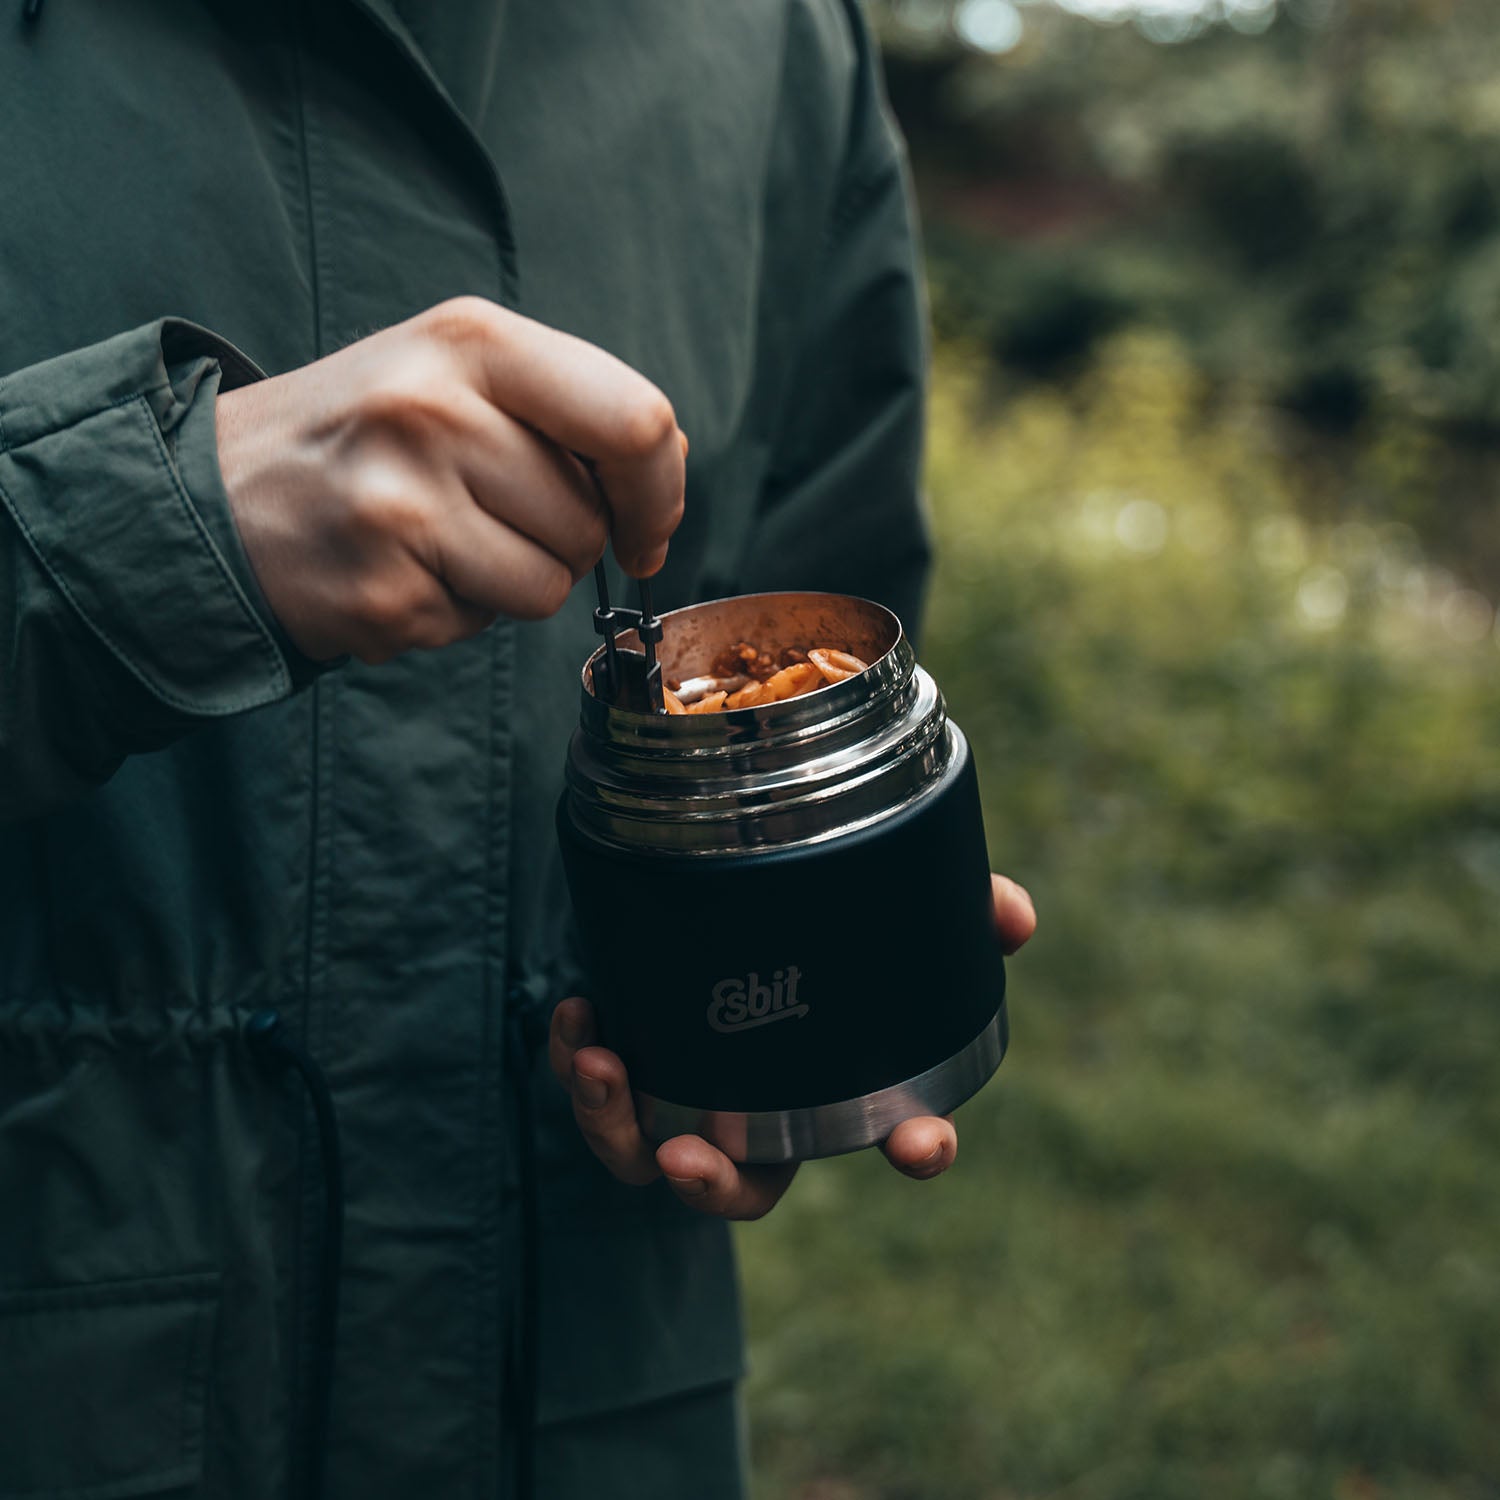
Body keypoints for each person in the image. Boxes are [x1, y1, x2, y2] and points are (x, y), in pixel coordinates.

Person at [0, 3, 1036, 1498]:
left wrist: (748, 1041)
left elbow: (819, 640)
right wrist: (160, 529)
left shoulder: (773, 39)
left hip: (591, 1395)